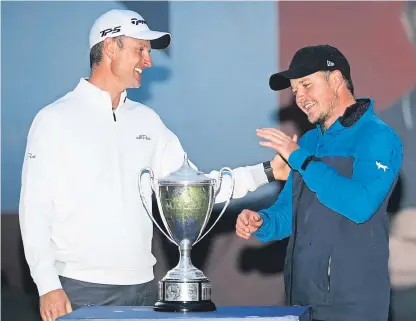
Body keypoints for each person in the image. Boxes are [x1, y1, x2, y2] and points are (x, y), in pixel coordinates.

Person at [18, 9, 292, 321]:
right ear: (110, 47)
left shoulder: (148, 121)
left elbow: (195, 188)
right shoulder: (54, 120)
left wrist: (268, 172)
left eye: (148, 52)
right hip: (78, 290)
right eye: (140, 50)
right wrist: (46, 284)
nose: (148, 61)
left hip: (143, 288)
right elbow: (34, 210)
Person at [235, 44, 403, 321]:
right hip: (299, 302)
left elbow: (360, 206)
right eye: (294, 90)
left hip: (354, 305)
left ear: (336, 79)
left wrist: (300, 159)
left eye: (306, 85)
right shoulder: (309, 142)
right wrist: (261, 222)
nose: (299, 97)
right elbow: (288, 214)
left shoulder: (378, 137)